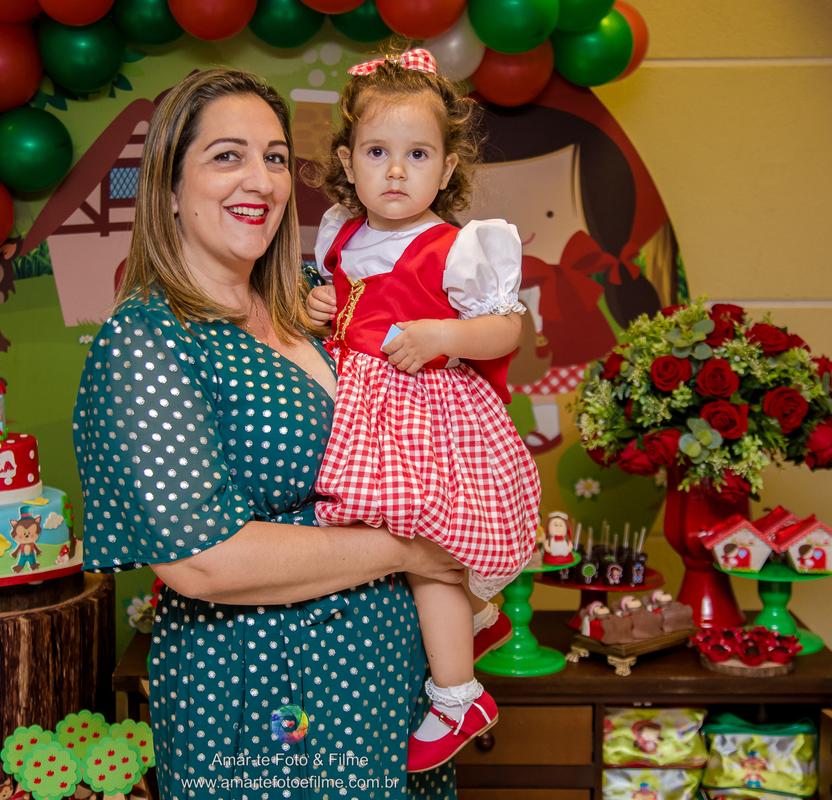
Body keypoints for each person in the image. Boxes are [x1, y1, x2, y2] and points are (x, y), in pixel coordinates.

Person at [74, 68, 465, 798]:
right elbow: (203, 561)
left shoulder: (311, 319)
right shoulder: (150, 339)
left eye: (276, 157)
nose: (261, 180)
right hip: (266, 695)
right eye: (227, 156)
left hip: (385, 683)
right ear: (167, 186)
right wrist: (420, 546)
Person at [304, 48, 541, 771]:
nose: (397, 170)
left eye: (417, 154)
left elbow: (507, 328)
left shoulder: (458, 247)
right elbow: (341, 312)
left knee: (424, 556)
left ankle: (456, 691)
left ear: (447, 167)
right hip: (357, 408)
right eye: (378, 152)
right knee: (369, 548)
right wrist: (319, 307)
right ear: (348, 163)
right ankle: (474, 621)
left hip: (428, 415)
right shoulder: (339, 237)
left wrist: (447, 334)